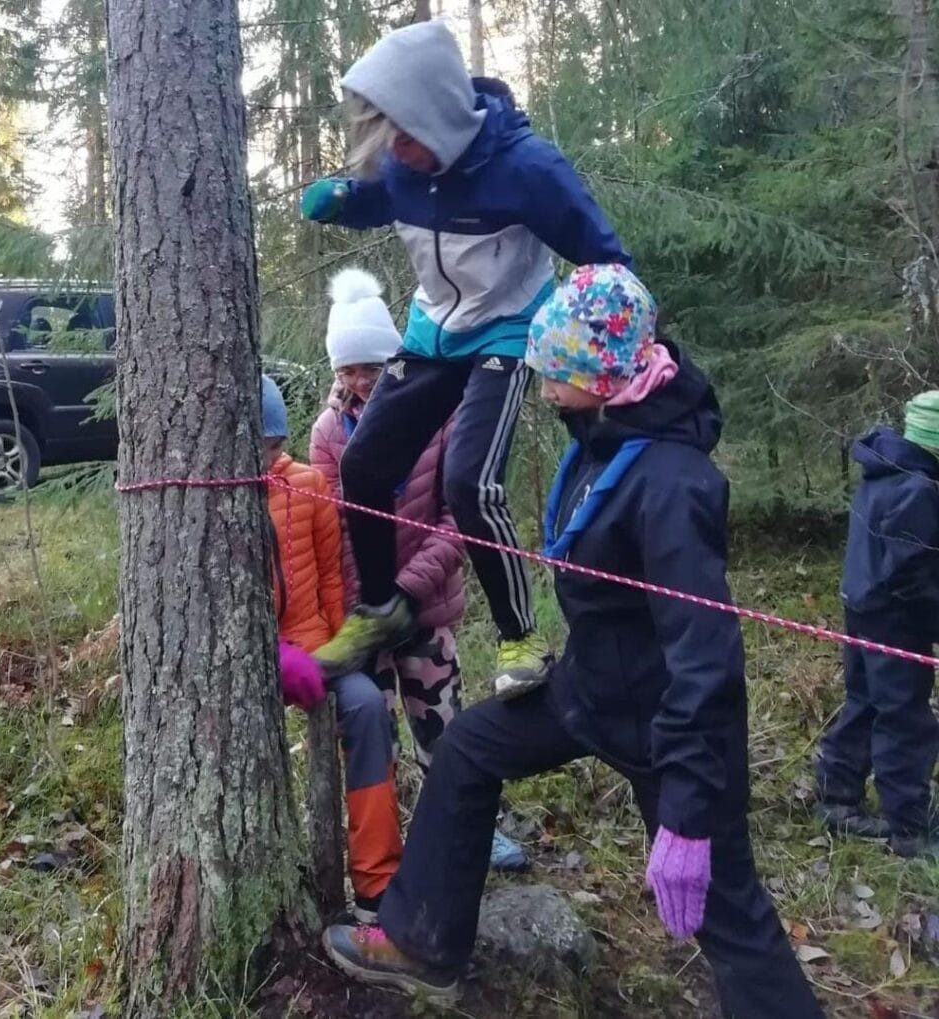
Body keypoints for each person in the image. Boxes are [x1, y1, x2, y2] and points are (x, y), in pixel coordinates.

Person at [318, 265, 824, 1018]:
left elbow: (705, 662)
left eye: (557, 372)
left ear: (602, 370)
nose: (544, 388)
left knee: (729, 913)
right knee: (467, 749)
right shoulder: (601, 434)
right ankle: (422, 943)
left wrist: (687, 812)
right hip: (591, 692)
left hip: (671, 728)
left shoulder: (674, 483)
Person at [301, 19, 631, 701]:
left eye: (407, 135)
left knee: (467, 482)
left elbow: (605, 258)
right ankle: (381, 612)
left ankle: (519, 634)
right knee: (364, 463)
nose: (397, 151)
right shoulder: (403, 165)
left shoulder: (526, 167)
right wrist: (343, 199)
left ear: (440, 117)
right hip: (434, 332)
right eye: (388, 139)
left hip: (507, 330)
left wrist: (614, 346)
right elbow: (380, 197)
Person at [309, 266, 528, 872]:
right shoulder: (329, 435)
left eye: (372, 366)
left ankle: (474, 834)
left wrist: (408, 586)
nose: (360, 380)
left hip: (426, 608)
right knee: (374, 731)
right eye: (349, 369)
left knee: (445, 728)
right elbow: (336, 525)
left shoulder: (445, 414)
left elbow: (463, 517)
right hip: (368, 615)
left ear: (397, 362)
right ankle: (387, 849)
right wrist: (367, 603)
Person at [262, 375, 402, 922]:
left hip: (321, 651)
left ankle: (376, 879)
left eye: (273, 444)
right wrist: (275, 658)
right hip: (259, 662)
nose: (268, 456)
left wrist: (344, 647)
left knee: (368, 706)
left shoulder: (310, 486)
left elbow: (332, 580)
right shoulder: (217, 496)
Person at [816, 393, 939, 859]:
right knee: (905, 717)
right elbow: (914, 577)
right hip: (893, 621)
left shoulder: (883, 473)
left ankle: (837, 794)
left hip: (861, 604)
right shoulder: (918, 491)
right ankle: (909, 827)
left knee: (866, 701)